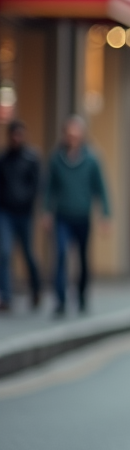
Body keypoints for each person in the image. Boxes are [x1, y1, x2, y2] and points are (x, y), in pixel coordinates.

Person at [44, 115, 110, 317]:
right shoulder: (56, 158)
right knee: (62, 254)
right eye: (69, 133)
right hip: (62, 216)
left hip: (82, 216)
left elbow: (101, 188)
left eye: (76, 133)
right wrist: (46, 211)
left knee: (82, 258)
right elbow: (48, 188)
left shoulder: (91, 159)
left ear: (82, 135)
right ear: (64, 135)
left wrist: (106, 214)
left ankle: (81, 296)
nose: (72, 137)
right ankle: (61, 300)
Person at [0, 121, 42, 311]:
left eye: (19, 135)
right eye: (13, 135)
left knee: (28, 254)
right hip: (6, 213)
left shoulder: (32, 158)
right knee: (5, 252)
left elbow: (38, 185)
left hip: (25, 214)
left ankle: (36, 289)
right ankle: (6, 297)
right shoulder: (4, 159)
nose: (16, 138)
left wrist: (28, 201)